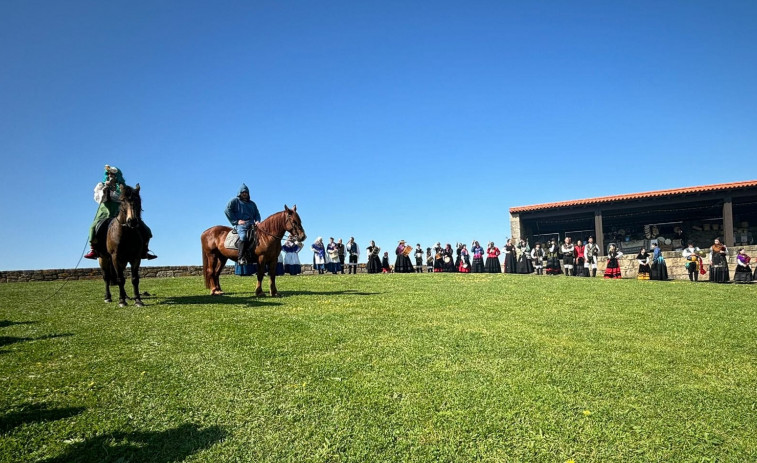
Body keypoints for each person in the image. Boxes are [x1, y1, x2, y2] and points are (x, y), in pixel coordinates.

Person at [84, 165, 157, 260]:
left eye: (113, 174)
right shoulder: (101, 186)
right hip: (104, 212)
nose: (110, 176)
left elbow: (129, 200)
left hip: (121, 212)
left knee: (146, 229)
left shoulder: (123, 188)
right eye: (109, 174)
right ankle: (93, 250)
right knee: (93, 228)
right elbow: (99, 199)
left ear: (117, 176)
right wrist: (105, 188)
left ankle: (145, 249)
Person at [224, 183, 261, 265]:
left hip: (252, 224)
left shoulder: (252, 204)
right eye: (242, 192)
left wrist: (257, 221)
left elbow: (257, 214)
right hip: (241, 225)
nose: (244, 194)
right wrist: (236, 221)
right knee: (243, 237)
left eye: (246, 192)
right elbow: (227, 210)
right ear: (239, 193)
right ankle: (240, 258)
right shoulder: (235, 201)